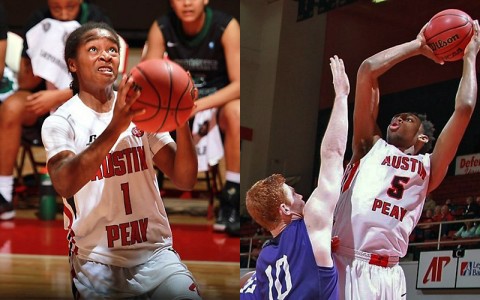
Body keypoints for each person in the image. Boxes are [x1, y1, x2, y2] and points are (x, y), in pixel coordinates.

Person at [41, 22, 201, 299]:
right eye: (94, 49)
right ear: (73, 64)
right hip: (96, 261)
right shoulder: (60, 121)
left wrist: (182, 119)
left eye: (113, 49)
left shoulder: (144, 111)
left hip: (156, 254)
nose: (106, 55)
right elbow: (65, 183)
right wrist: (116, 125)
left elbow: (184, 178)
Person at [332, 20, 480, 300]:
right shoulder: (369, 146)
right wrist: (417, 46)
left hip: (389, 275)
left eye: (408, 118)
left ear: (422, 139)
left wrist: (470, 56)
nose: (397, 118)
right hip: (345, 262)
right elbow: (367, 70)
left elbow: (465, 107)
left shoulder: (429, 168)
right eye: (396, 116)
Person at [240, 55, 348, 299]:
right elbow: (333, 154)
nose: (301, 194)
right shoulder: (310, 228)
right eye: (293, 193)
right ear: (284, 210)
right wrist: (341, 96)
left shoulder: (265, 259)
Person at [0, 0, 110, 220]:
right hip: (41, 98)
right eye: (56, 8)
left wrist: (59, 96)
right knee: (11, 107)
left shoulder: (97, 20)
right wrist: (44, 60)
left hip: (82, 98)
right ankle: (4, 193)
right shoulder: (38, 20)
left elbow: (104, 81)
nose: (62, 13)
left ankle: (94, 197)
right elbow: (25, 81)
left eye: (69, 8)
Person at [143, 0, 240, 235]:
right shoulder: (162, 26)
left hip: (212, 101)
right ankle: (144, 201)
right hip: (175, 104)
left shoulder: (225, 26)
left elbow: (239, 84)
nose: (187, 3)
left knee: (235, 110)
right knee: (143, 113)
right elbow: (148, 76)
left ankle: (232, 198)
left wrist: (196, 105)